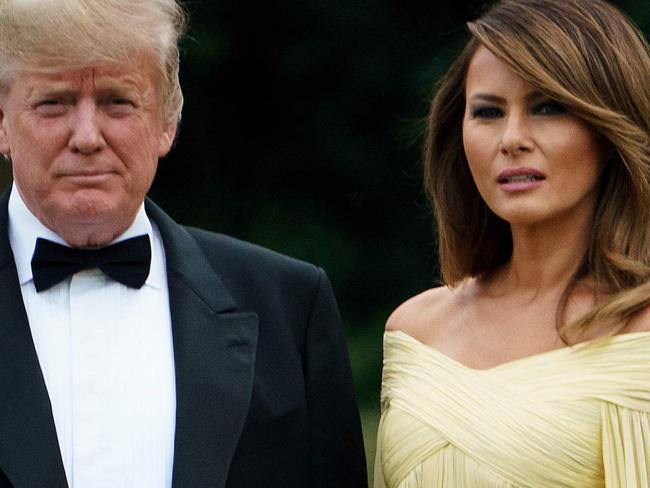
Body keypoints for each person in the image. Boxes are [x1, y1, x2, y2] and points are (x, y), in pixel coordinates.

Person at [0, 1, 367, 487]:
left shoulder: (291, 309)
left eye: (118, 101)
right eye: (54, 102)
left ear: (167, 121)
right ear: (2, 121)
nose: (87, 136)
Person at [374, 0, 650, 486]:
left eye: (548, 108)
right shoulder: (415, 331)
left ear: (610, 128)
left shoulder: (640, 329)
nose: (512, 138)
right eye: (487, 112)